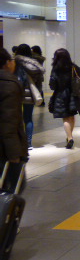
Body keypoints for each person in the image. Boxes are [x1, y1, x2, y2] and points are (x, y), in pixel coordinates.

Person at [0, 48, 28, 192]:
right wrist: (14, 155)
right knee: (14, 190)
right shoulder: (9, 84)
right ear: (7, 63)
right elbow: (9, 123)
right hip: (4, 151)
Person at [48, 48, 80, 149]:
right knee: (72, 117)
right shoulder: (72, 67)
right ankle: (70, 137)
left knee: (65, 118)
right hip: (72, 95)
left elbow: (52, 85)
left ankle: (70, 138)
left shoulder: (55, 69)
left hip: (60, 95)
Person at [14, 44, 45, 150]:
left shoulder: (15, 62)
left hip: (16, 94)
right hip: (30, 95)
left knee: (16, 118)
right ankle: (28, 143)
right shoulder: (35, 64)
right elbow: (40, 80)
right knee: (28, 118)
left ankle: (17, 141)